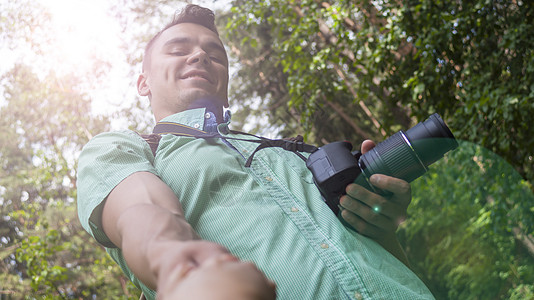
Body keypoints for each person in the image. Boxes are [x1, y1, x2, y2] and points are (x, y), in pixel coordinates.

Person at [77, 4, 434, 300]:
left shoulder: (292, 153)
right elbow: (141, 210)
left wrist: (380, 223)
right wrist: (180, 266)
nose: (200, 55)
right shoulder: (127, 149)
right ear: (144, 83)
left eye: (215, 53)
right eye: (178, 49)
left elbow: (375, 255)